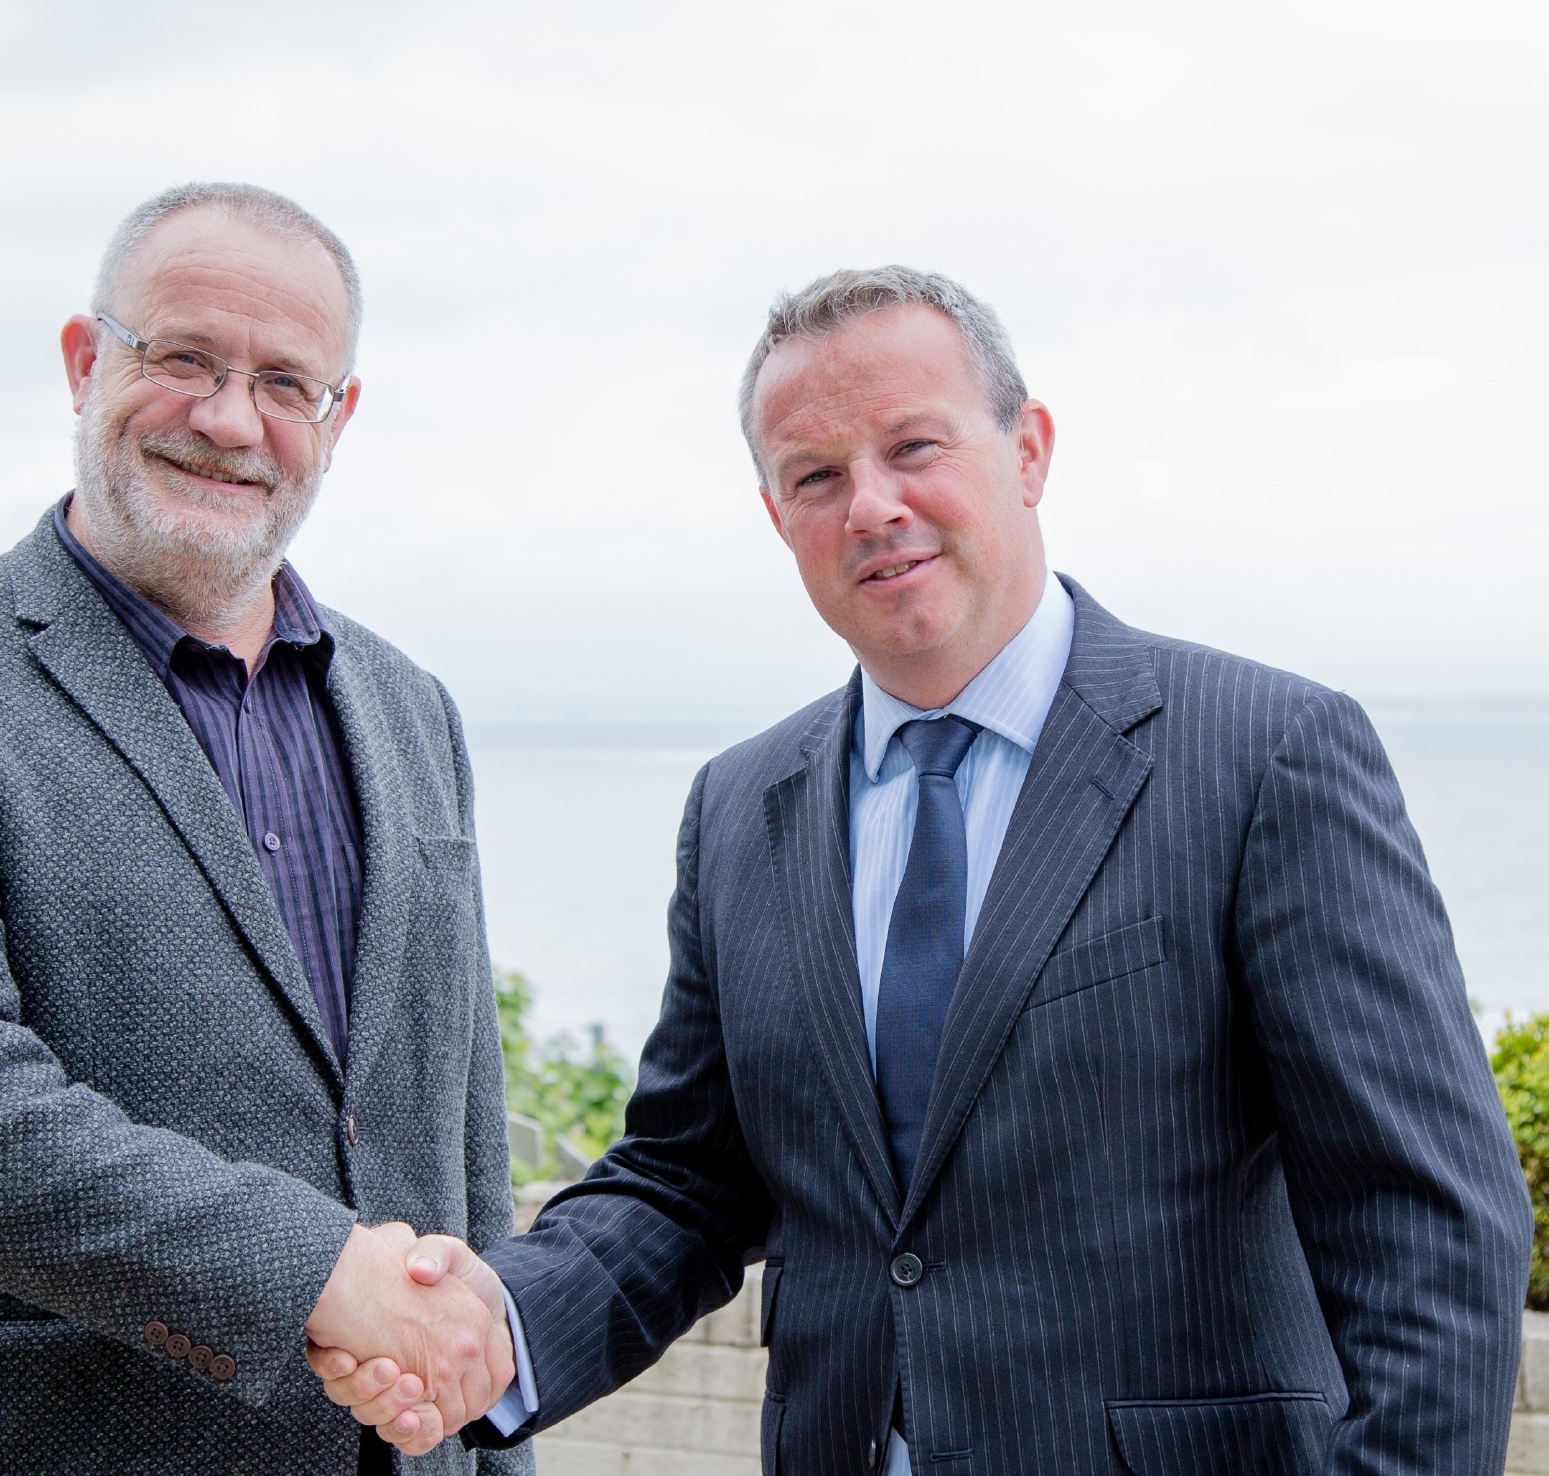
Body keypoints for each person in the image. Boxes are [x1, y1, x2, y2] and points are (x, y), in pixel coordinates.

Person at [312, 268, 1533, 1475]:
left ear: (1031, 449)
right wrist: (493, 1327)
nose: (873, 506)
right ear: (776, 514)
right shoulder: (741, 809)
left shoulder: (1263, 754)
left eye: (914, 447)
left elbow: (1429, 1225)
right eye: (818, 476)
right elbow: (688, 1183)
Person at [0, 182, 525, 1476]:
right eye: (183, 359)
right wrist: (320, 1271)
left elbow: (460, 1129)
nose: (229, 419)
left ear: (339, 419)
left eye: (286, 383)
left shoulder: (410, 710)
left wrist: (490, 1428)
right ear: (83, 361)